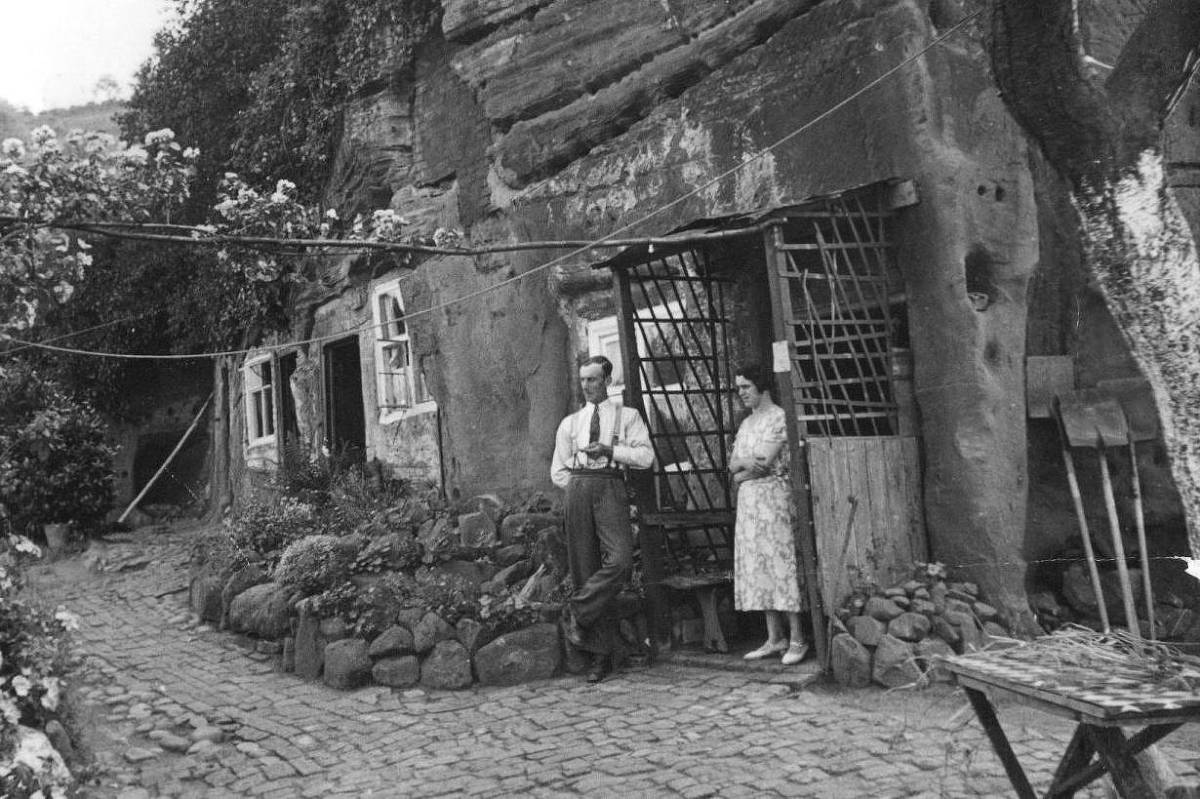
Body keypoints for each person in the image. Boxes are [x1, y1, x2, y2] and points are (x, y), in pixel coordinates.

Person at [551, 355, 654, 683]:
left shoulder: (628, 416)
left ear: (607, 380)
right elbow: (557, 470)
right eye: (583, 380)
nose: (587, 386)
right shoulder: (570, 423)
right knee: (586, 570)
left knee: (621, 561)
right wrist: (579, 486)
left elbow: (646, 457)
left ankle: (577, 609)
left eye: (593, 379)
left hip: (611, 487)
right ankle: (600, 657)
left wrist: (611, 453)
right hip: (579, 488)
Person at [728, 362, 809, 665]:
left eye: (746, 387)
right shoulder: (747, 423)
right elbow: (734, 464)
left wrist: (742, 469)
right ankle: (775, 637)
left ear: (762, 387)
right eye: (738, 388)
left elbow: (765, 459)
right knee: (758, 566)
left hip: (774, 500)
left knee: (780, 564)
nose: (741, 393)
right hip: (750, 505)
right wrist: (743, 469)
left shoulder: (778, 418)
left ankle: (798, 637)